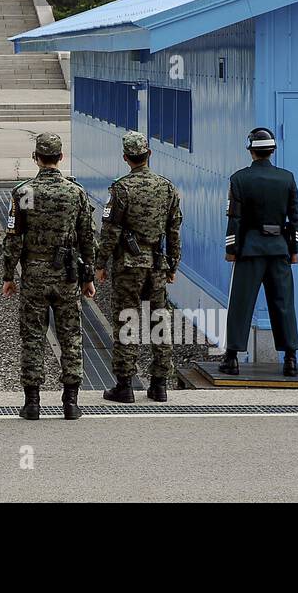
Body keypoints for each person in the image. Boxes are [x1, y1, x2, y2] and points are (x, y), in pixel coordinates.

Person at [2, 132, 96, 420]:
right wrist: (87, 277)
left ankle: (32, 403)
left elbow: (14, 238)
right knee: (70, 336)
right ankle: (71, 402)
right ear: (61, 158)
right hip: (67, 275)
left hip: (35, 274)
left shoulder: (25, 193)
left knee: (32, 336)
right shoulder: (75, 193)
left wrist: (9, 275)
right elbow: (87, 238)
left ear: (36, 158)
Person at [94, 131, 183, 404]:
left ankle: (125, 385)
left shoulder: (120, 189)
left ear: (125, 158)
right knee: (160, 322)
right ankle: (159, 385)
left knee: (127, 322)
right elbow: (174, 230)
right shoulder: (167, 187)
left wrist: (100, 264)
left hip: (129, 267)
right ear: (149, 154)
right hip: (157, 264)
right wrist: (173, 264)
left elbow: (110, 232)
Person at [222, 127, 298, 377]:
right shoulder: (287, 178)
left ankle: (232, 357)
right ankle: (290, 358)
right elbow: (296, 218)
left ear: (251, 150)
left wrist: (231, 249)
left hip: (250, 249)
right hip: (279, 249)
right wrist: (295, 249)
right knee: (284, 303)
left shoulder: (239, 179)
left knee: (241, 304)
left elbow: (234, 218)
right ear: (272, 150)